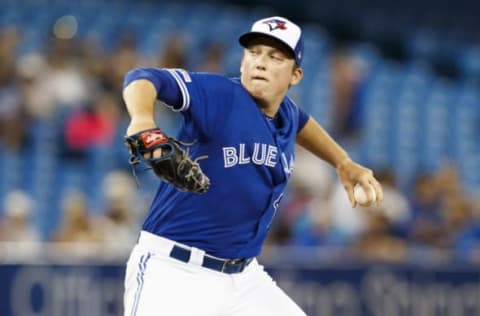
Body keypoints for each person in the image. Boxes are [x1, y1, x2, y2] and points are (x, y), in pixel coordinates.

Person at [122, 16, 383, 316]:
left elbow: (303, 123)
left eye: (275, 57)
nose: (260, 62)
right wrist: (143, 119)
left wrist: (343, 162)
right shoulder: (221, 95)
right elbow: (143, 77)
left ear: (295, 75)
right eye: (254, 52)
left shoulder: (286, 114)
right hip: (175, 272)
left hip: (244, 279)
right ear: (243, 62)